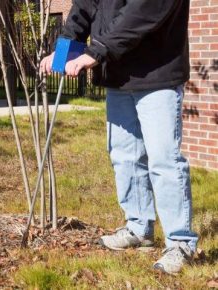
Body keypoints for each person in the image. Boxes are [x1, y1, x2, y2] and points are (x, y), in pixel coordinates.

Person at [40, 0, 198, 274]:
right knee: (124, 156)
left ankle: (180, 242)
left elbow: (144, 10)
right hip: (118, 75)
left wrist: (98, 50)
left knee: (164, 161)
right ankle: (139, 228)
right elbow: (85, 7)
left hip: (157, 73)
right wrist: (64, 48)